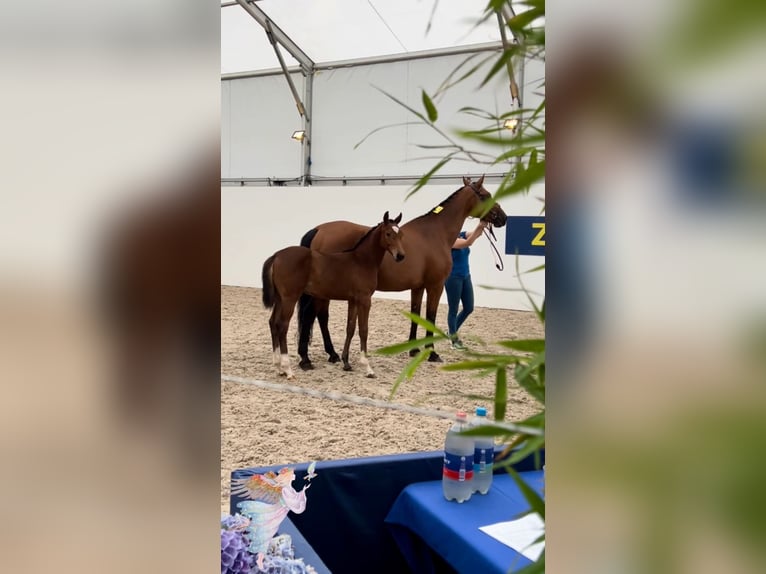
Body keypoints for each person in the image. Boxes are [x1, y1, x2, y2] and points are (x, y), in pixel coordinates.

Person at [445, 220, 487, 349]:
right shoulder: (449, 240)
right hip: (453, 277)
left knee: (469, 308)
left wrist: (484, 223)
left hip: (465, 276)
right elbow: (468, 243)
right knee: (453, 309)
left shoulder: (462, 234)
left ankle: (451, 331)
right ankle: (453, 340)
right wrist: (480, 226)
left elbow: (477, 234)